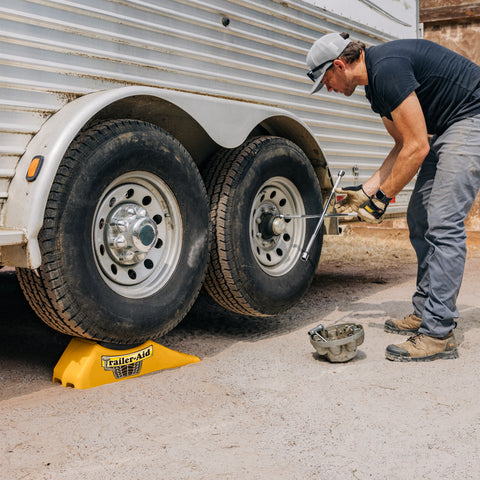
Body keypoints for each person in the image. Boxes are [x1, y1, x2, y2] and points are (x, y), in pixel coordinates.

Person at [306, 32, 480, 362]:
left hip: (472, 117)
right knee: (420, 218)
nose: (327, 87)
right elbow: (402, 145)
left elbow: (417, 147)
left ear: (340, 65)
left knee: (443, 224)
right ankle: (427, 310)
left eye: (325, 79)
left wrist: (382, 199)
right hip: (446, 127)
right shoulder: (375, 89)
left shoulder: (387, 69)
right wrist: (364, 194)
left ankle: (438, 333)